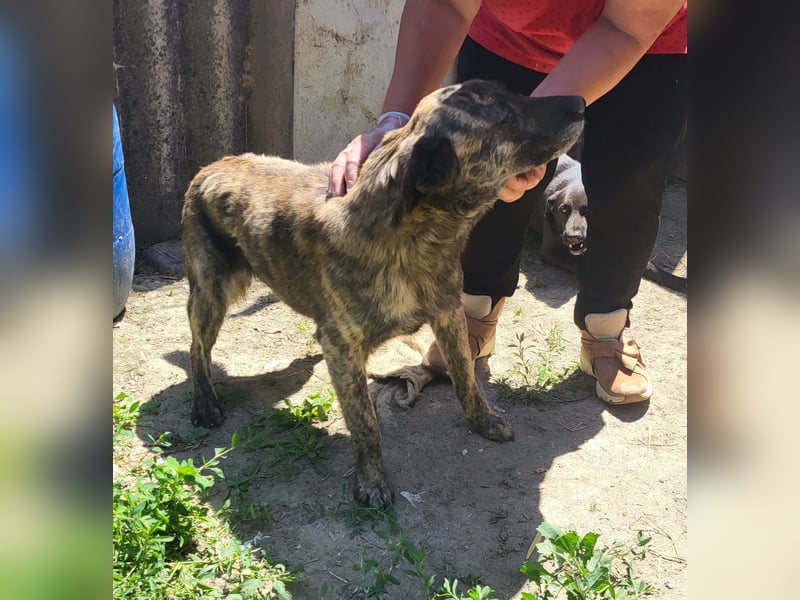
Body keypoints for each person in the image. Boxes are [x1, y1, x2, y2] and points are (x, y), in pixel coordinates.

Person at [327, 0, 687, 405]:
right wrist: (396, 121)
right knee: (487, 192)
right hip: (509, 38)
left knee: (629, 185)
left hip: (648, 47)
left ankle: (606, 330)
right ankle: (475, 312)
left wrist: (518, 135)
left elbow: (626, 28)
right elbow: (444, 5)